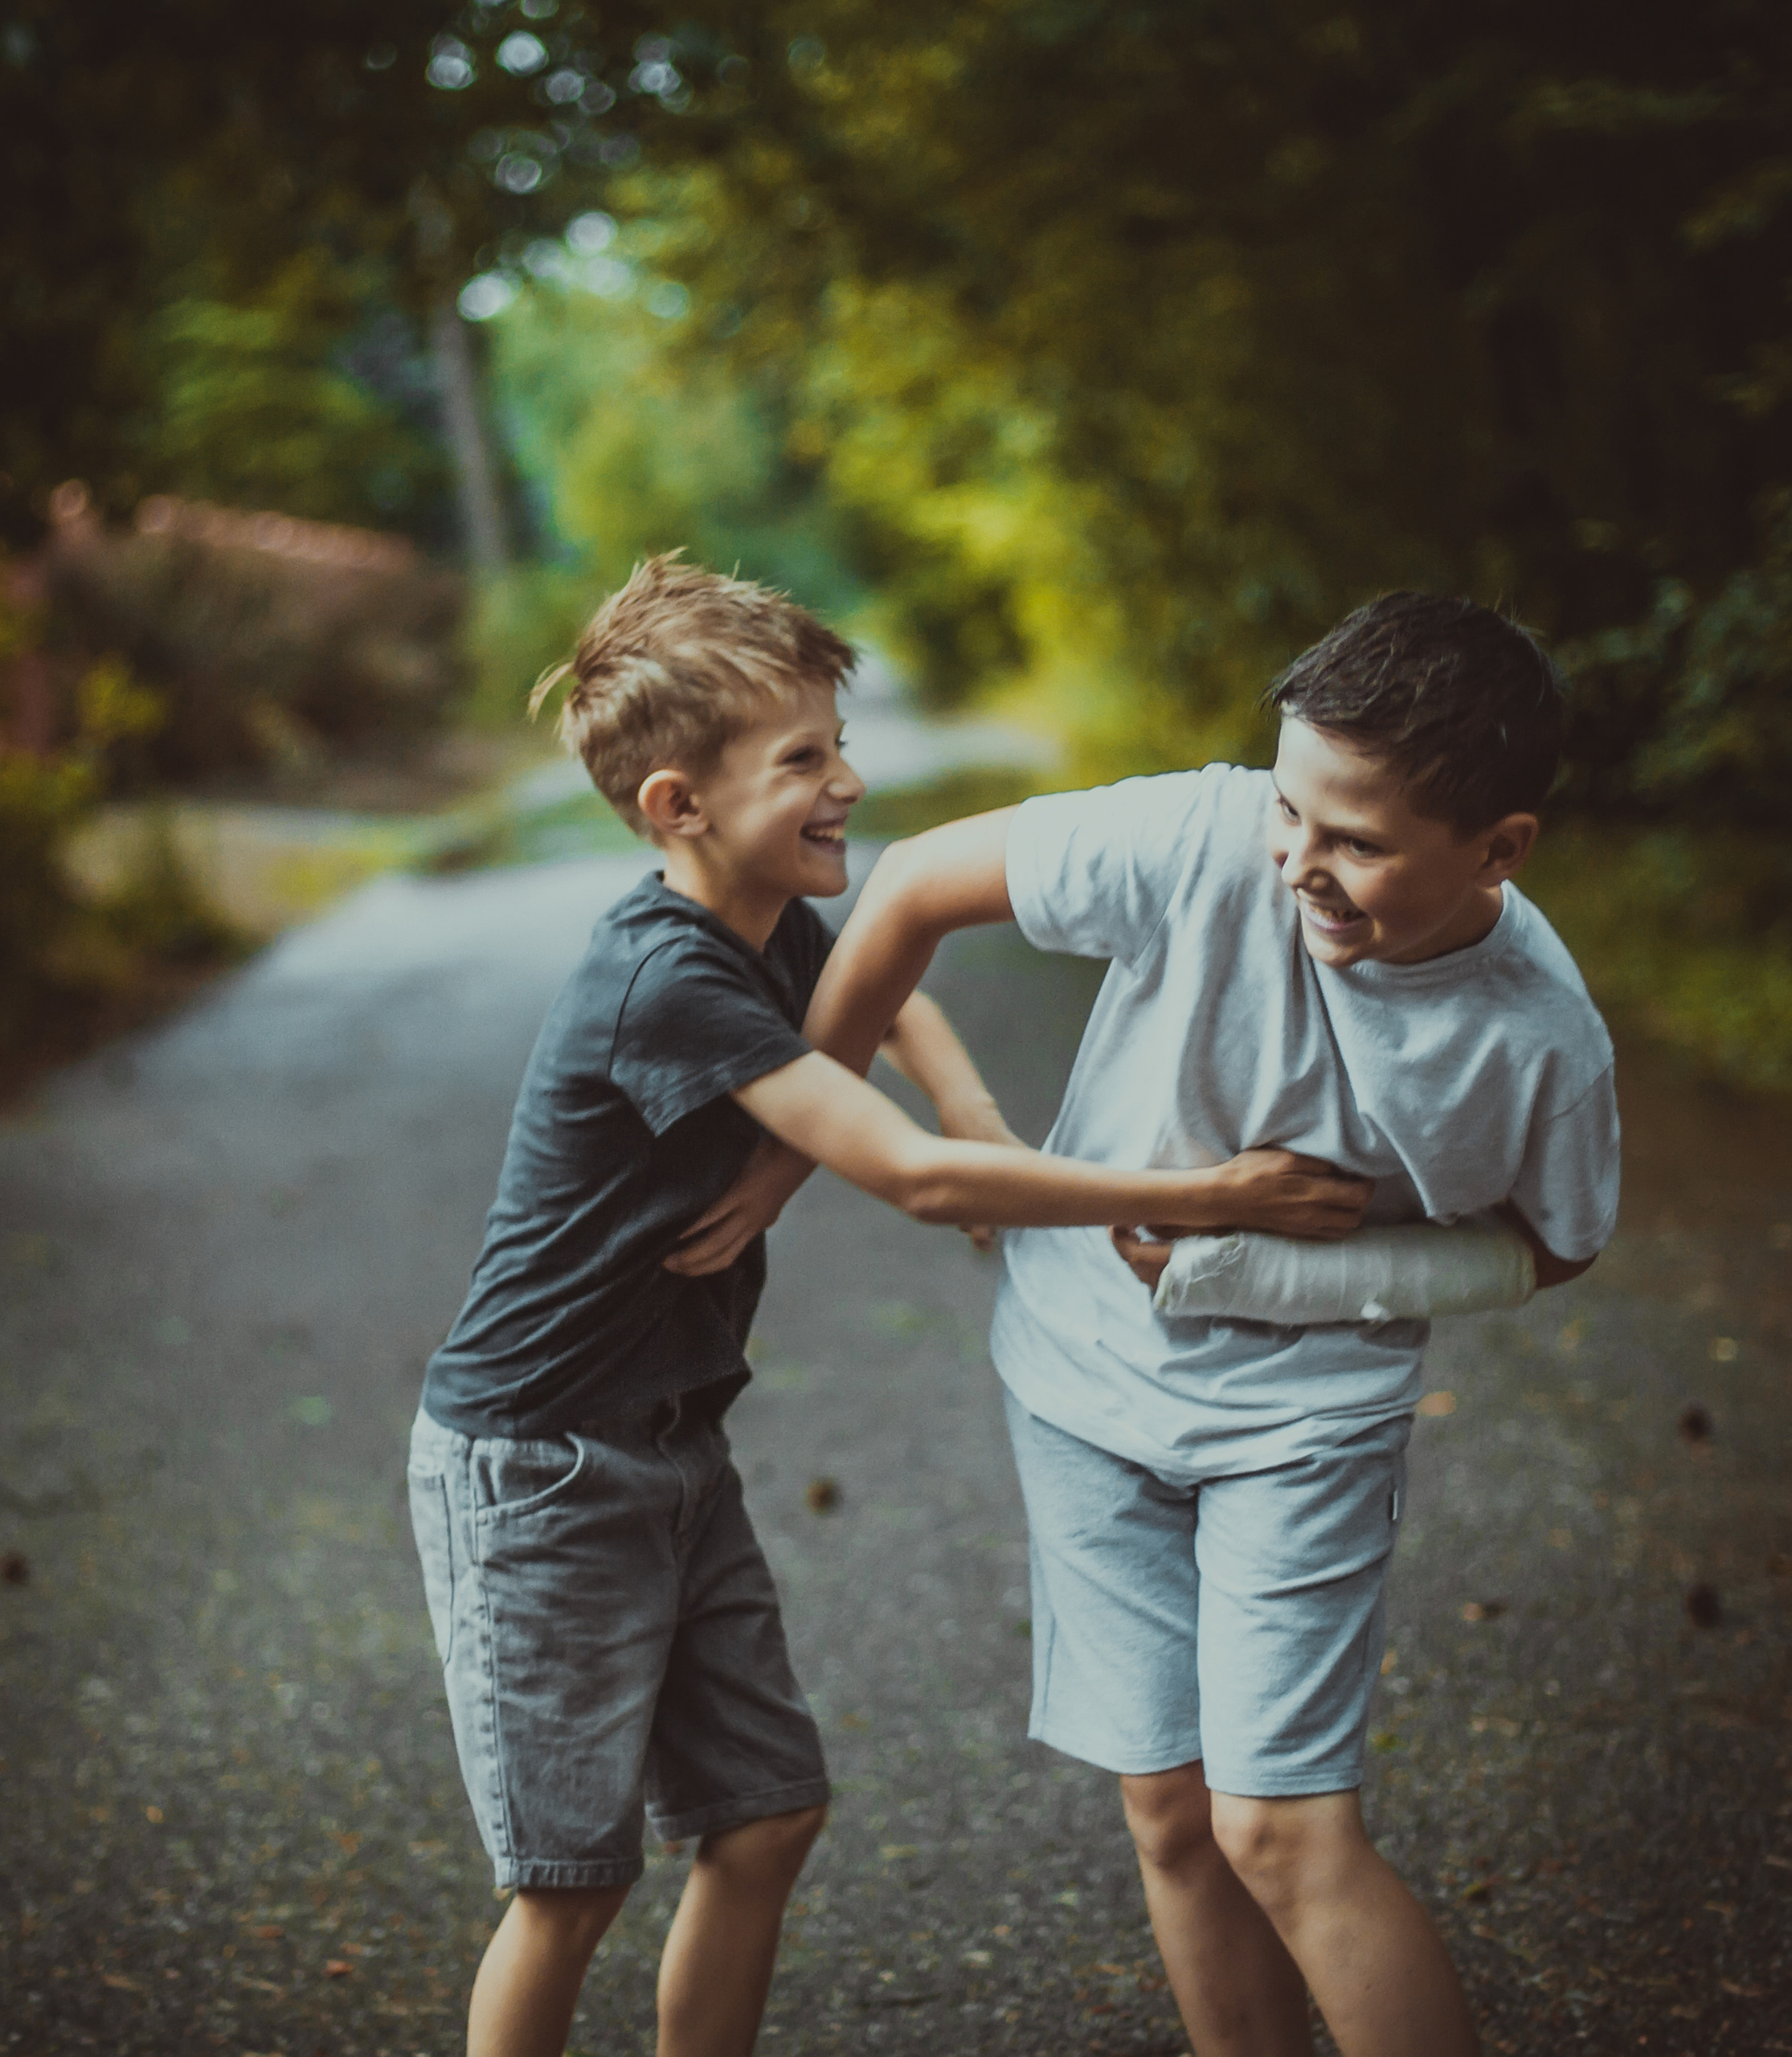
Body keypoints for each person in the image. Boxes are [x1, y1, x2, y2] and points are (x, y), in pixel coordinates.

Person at [408, 554, 1372, 2057]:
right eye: (806, 758)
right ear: (679, 806)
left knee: (769, 1816)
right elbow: (917, 1183)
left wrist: (982, 1127)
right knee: (567, 1886)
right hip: (537, 1466)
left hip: (667, 1448)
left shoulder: (764, 921)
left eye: (838, 742)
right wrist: (1215, 1197)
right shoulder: (655, 977)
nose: (849, 780)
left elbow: (894, 992)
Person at [691, 591, 1620, 2057]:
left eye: (1360, 844)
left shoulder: (1539, 1035)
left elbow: (1552, 1248)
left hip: (1304, 1428)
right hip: (1078, 1386)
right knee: (1172, 1811)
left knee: (1284, 1833)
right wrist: (795, 1139)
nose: (1302, 867)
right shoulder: (1208, 835)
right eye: (1293, 811)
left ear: (1499, 848)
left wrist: (1281, 1262)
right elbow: (918, 880)